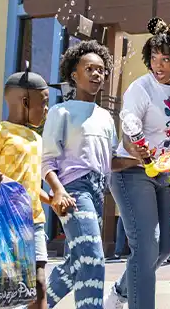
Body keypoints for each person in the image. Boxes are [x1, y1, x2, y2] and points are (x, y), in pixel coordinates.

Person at [105, 18, 170, 309]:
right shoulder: (140, 88)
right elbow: (131, 125)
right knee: (145, 247)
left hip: (163, 173)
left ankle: (120, 292)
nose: (158, 65)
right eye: (154, 57)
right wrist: (142, 148)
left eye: (166, 59)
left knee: (164, 247)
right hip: (132, 171)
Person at [43, 40, 118, 309]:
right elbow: (47, 160)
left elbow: (112, 159)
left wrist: (148, 160)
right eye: (90, 69)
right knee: (93, 259)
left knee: (77, 261)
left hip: (98, 191)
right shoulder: (60, 111)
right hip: (73, 189)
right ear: (74, 75)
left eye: (101, 70)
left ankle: (35, 305)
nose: (97, 75)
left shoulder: (106, 117)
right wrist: (58, 191)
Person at [0, 70, 52, 309]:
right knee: (2, 285)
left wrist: (52, 200)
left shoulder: (37, 140)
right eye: (44, 103)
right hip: (2, 221)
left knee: (39, 283)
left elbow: (30, 183)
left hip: (34, 221)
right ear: (26, 102)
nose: (47, 110)